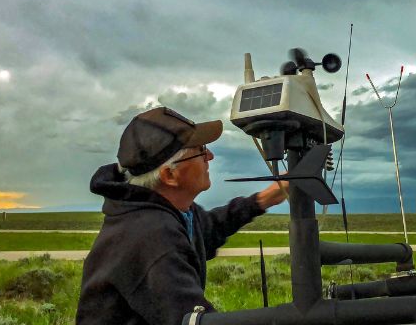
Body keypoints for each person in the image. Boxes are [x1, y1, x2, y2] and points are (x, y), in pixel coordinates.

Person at [76, 106, 287, 325]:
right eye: (200, 150)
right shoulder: (152, 237)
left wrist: (265, 199)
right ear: (170, 175)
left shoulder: (169, 211)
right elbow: (191, 319)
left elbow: (208, 227)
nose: (210, 156)